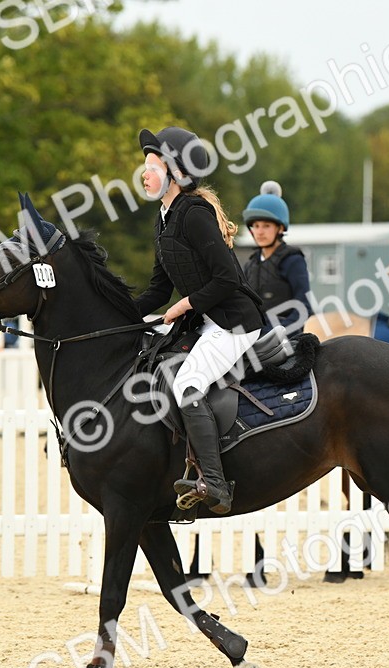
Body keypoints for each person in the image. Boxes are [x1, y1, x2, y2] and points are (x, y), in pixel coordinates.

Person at [134, 125, 265, 515]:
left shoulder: (193, 215)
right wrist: (122, 315)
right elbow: (158, 292)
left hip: (235, 323)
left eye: (151, 166)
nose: (144, 173)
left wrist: (185, 304)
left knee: (188, 383)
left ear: (174, 173)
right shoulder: (163, 219)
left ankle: (215, 483)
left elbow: (227, 278)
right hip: (208, 321)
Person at [241, 180, 312, 332]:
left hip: (286, 337)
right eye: (256, 226)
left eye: (266, 226)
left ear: (280, 228)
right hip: (254, 336)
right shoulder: (250, 265)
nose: (259, 232)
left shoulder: (293, 261)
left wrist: (280, 332)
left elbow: (304, 308)